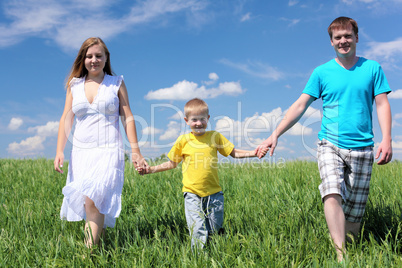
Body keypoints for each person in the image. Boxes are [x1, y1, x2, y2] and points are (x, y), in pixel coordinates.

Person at [255, 17, 392, 262]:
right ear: (331, 42)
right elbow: (300, 106)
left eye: (348, 36)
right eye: (338, 37)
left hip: (363, 148)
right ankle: (340, 257)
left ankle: (349, 249)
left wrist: (387, 139)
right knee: (331, 192)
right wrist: (274, 133)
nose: (343, 41)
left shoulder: (372, 68)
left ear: (356, 38)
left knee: (353, 219)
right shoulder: (321, 73)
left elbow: (382, 104)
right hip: (330, 144)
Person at [54, 37, 149, 249]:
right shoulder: (74, 85)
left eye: (98, 55)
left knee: (94, 200)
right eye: (89, 56)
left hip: (109, 149)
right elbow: (66, 118)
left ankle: (87, 254)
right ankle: (101, 250)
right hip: (81, 151)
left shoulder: (116, 83)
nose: (94, 60)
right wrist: (60, 149)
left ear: (106, 58)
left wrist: (136, 151)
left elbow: (128, 117)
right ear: (83, 59)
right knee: (91, 202)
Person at [143, 98, 259, 249]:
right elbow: (172, 163)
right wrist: (151, 169)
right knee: (197, 228)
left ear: (208, 118)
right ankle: (199, 259)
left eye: (202, 119)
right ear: (186, 120)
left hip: (214, 193)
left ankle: (214, 252)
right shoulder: (183, 140)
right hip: (192, 193)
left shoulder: (214, 137)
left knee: (214, 229)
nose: (198, 123)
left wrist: (254, 153)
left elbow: (233, 153)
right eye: (194, 119)